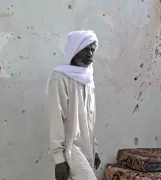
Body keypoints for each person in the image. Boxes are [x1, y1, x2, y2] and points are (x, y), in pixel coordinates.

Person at [46, 30, 101, 180]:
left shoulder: (88, 79)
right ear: (75, 50)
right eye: (86, 49)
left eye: (92, 49)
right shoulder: (60, 77)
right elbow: (56, 118)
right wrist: (59, 160)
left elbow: (90, 118)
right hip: (71, 149)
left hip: (87, 148)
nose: (90, 54)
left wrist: (95, 148)